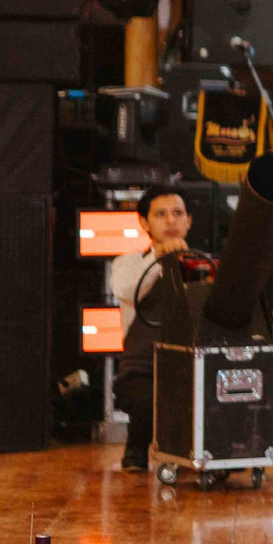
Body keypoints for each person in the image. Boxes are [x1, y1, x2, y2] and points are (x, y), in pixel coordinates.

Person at [108, 184, 194, 472]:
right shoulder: (127, 264)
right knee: (146, 401)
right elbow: (124, 290)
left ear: (188, 221)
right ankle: (136, 447)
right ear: (144, 222)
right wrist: (161, 257)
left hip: (193, 368)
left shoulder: (203, 265)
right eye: (160, 214)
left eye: (177, 213)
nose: (171, 221)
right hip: (141, 370)